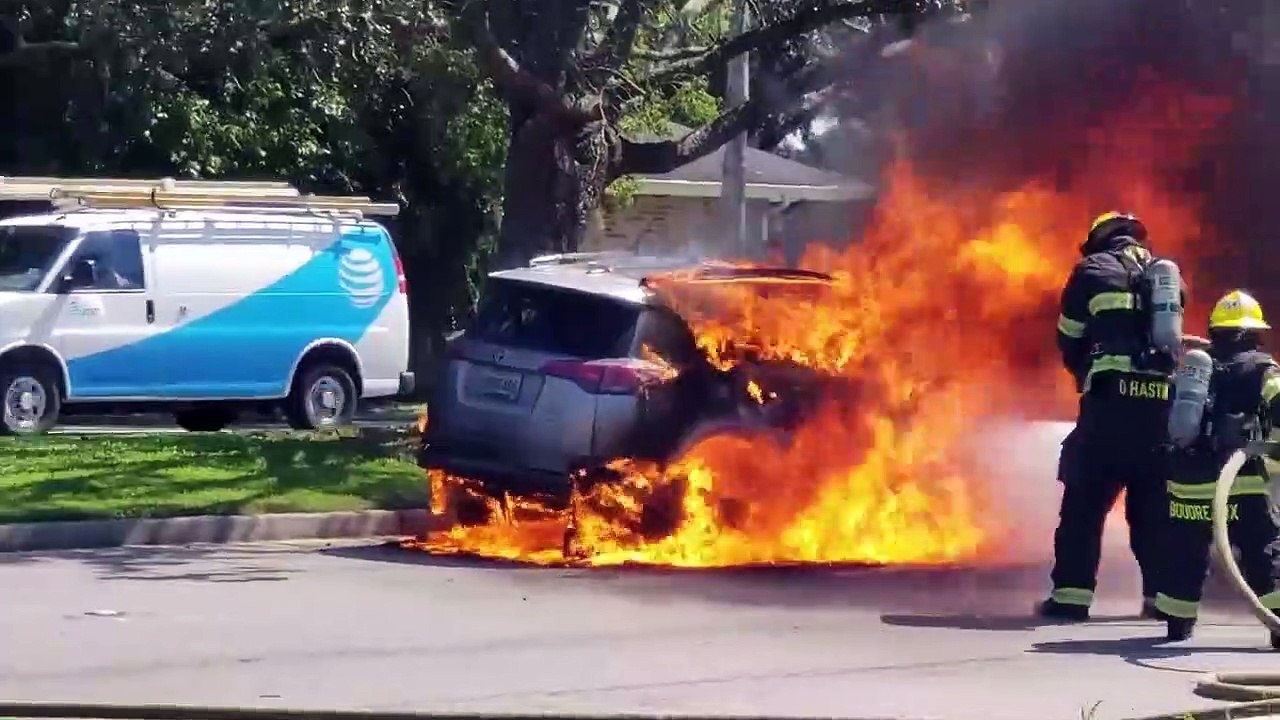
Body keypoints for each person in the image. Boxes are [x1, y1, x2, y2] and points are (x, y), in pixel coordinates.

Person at [1037, 211, 1185, 621]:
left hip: (1110, 406)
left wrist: (1086, 372)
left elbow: (1069, 337)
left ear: (1100, 239)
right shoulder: (1165, 276)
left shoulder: (1091, 270)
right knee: (1153, 508)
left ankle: (1071, 597)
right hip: (1160, 408)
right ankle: (1161, 601)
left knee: (1084, 502)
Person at [1156, 289, 1280, 645]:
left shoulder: (1194, 367)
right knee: (1263, 549)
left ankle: (1177, 624)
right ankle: (1277, 623)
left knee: (1183, 552)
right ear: (1251, 331)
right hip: (1238, 481)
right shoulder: (1260, 366)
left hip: (1187, 482)